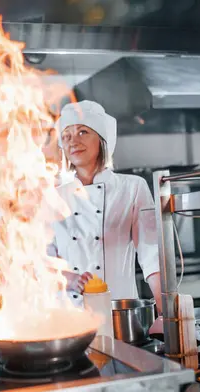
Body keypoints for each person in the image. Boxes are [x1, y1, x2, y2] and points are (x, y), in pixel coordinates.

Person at [49, 100, 163, 319]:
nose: (73, 141)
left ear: (102, 139)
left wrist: (164, 309)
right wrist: (70, 279)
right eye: (66, 136)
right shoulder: (53, 195)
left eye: (83, 132)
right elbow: (42, 262)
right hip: (67, 316)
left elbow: (151, 254)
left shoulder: (132, 187)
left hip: (121, 313)